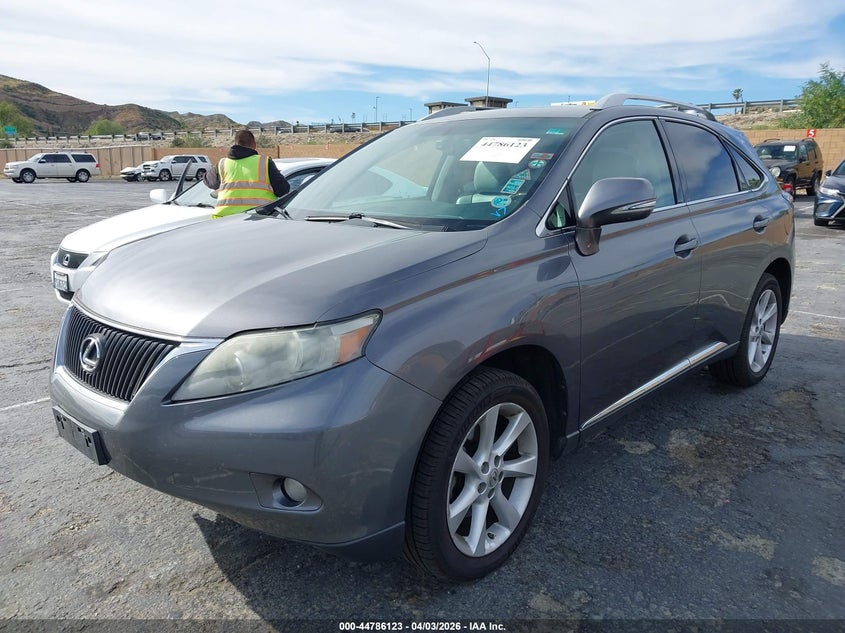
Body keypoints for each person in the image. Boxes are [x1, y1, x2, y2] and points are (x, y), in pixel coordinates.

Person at [204, 129, 290, 218]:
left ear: (235, 143)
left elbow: (209, 182)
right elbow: (283, 190)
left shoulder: (222, 164)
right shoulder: (264, 162)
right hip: (258, 219)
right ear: (254, 145)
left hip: (224, 219)